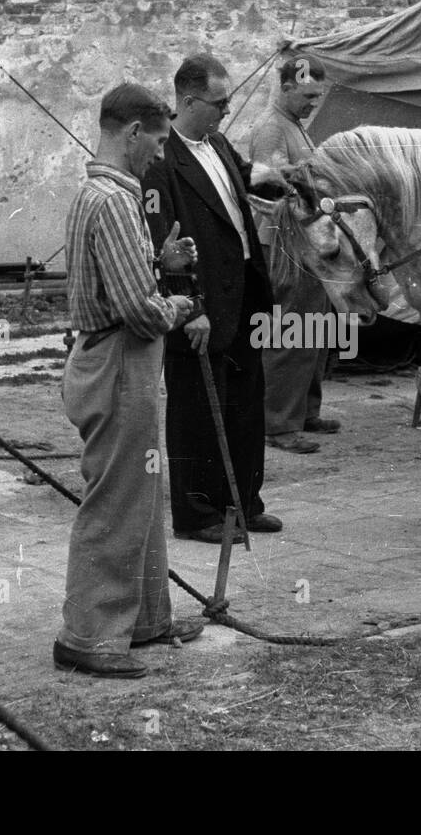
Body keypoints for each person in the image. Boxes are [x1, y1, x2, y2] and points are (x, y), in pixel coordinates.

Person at [54, 82, 205, 679]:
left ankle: (142, 621)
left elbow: (120, 281)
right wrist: (180, 306)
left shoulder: (103, 194)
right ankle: (88, 635)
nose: (162, 154)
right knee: (116, 499)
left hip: (120, 359)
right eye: (160, 139)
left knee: (141, 491)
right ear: (133, 132)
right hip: (120, 360)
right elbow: (138, 310)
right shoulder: (115, 201)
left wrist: (159, 265)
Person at [142, 54, 281, 543]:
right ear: (188, 100)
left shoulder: (217, 142)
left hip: (242, 291)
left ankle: (242, 502)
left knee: (244, 399)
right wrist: (189, 309)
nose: (226, 111)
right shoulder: (162, 162)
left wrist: (274, 178)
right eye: (219, 103)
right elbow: (166, 246)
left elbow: (243, 177)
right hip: (200, 303)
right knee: (196, 409)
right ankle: (197, 513)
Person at [248, 52, 339, 455]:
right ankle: (279, 424)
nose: (312, 103)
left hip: (305, 244)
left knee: (316, 331)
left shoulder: (294, 125)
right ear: (285, 88)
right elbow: (269, 185)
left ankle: (304, 411)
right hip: (285, 245)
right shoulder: (271, 128)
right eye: (306, 96)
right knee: (292, 333)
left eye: (317, 96)